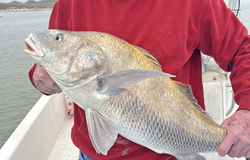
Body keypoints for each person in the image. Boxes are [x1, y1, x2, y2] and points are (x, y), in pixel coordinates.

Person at [28, 0, 250, 159]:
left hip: (173, 152)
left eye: (60, 38)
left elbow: (243, 48)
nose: (57, 39)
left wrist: (248, 111)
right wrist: (41, 79)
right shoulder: (71, 3)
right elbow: (47, 63)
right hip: (93, 155)